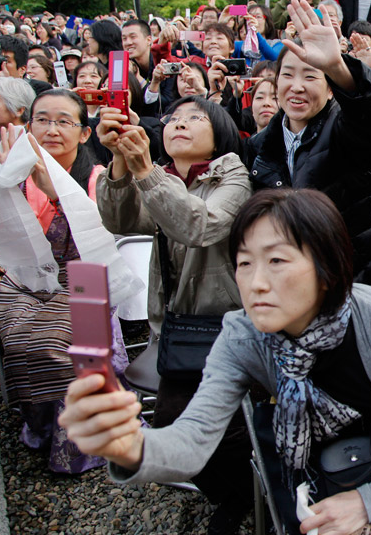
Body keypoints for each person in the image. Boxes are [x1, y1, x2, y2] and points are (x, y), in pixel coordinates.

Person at [60, 187, 371, 535]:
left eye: (277, 260)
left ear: (327, 267)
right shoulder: (243, 334)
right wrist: (129, 446)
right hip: (330, 465)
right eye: (244, 263)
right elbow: (192, 440)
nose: (255, 282)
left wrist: (369, 503)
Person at [95, 96, 254, 534]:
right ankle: (231, 494)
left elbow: (200, 225)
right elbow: (120, 220)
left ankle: (244, 494)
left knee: (232, 427)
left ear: (218, 134)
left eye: (194, 118)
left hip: (227, 325)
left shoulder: (232, 175)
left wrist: (146, 171)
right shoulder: (160, 177)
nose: (179, 124)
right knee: (168, 420)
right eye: (173, 119)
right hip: (178, 329)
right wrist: (120, 164)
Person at [0, 89, 128, 474]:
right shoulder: (13, 173)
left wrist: (54, 193)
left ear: (84, 133)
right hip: (29, 279)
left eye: (64, 121)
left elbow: (102, 240)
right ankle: (41, 425)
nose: (52, 129)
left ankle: (83, 443)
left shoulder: (96, 177)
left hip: (86, 277)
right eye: (42, 120)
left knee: (63, 344)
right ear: (27, 124)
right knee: (19, 338)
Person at [243, 0, 371, 283]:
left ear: (330, 91)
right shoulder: (260, 146)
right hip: (288, 281)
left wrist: (337, 67)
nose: (297, 86)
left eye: (311, 75)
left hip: (350, 277)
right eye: (287, 75)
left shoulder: (345, 130)